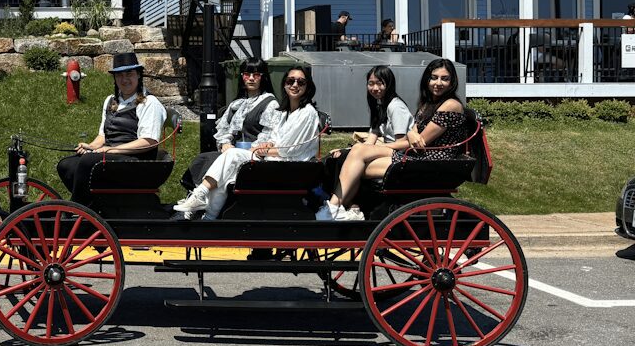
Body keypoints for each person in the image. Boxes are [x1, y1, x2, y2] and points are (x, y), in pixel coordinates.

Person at [319, 58, 469, 221]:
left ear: (452, 81)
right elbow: (411, 134)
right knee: (356, 156)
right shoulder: (427, 104)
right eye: (434, 77)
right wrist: (411, 134)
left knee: (357, 161)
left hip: (431, 161)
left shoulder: (451, 105)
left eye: (444, 78)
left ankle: (335, 208)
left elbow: (420, 141)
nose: (438, 83)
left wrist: (408, 136)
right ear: (427, 79)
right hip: (418, 156)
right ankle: (338, 208)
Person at [174, 65, 321, 220]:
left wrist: (260, 150)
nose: (295, 85)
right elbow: (274, 138)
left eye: (301, 82)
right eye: (291, 81)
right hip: (274, 162)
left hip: (290, 169)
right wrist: (267, 145)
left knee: (231, 156)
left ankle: (201, 196)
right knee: (225, 175)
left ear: (308, 86)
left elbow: (288, 150)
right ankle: (209, 216)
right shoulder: (285, 112)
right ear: (284, 84)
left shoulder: (307, 113)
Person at [56, 52, 167, 206]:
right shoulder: (110, 100)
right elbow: (103, 135)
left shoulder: (149, 103)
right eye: (119, 75)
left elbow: (149, 141)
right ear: (114, 78)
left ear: (139, 75)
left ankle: (78, 208)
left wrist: (110, 150)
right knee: (66, 165)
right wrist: (92, 146)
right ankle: (96, 204)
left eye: (129, 74)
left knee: (89, 161)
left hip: (136, 162)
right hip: (112, 157)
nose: (124, 79)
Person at [178, 58, 277, 191]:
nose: (251, 78)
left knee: (215, 161)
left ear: (263, 78)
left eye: (256, 75)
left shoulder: (270, 103)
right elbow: (223, 128)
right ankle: (195, 196)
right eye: (247, 74)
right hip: (232, 152)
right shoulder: (237, 103)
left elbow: (269, 133)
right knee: (204, 158)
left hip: (254, 155)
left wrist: (248, 150)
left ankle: (200, 196)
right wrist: (224, 143)